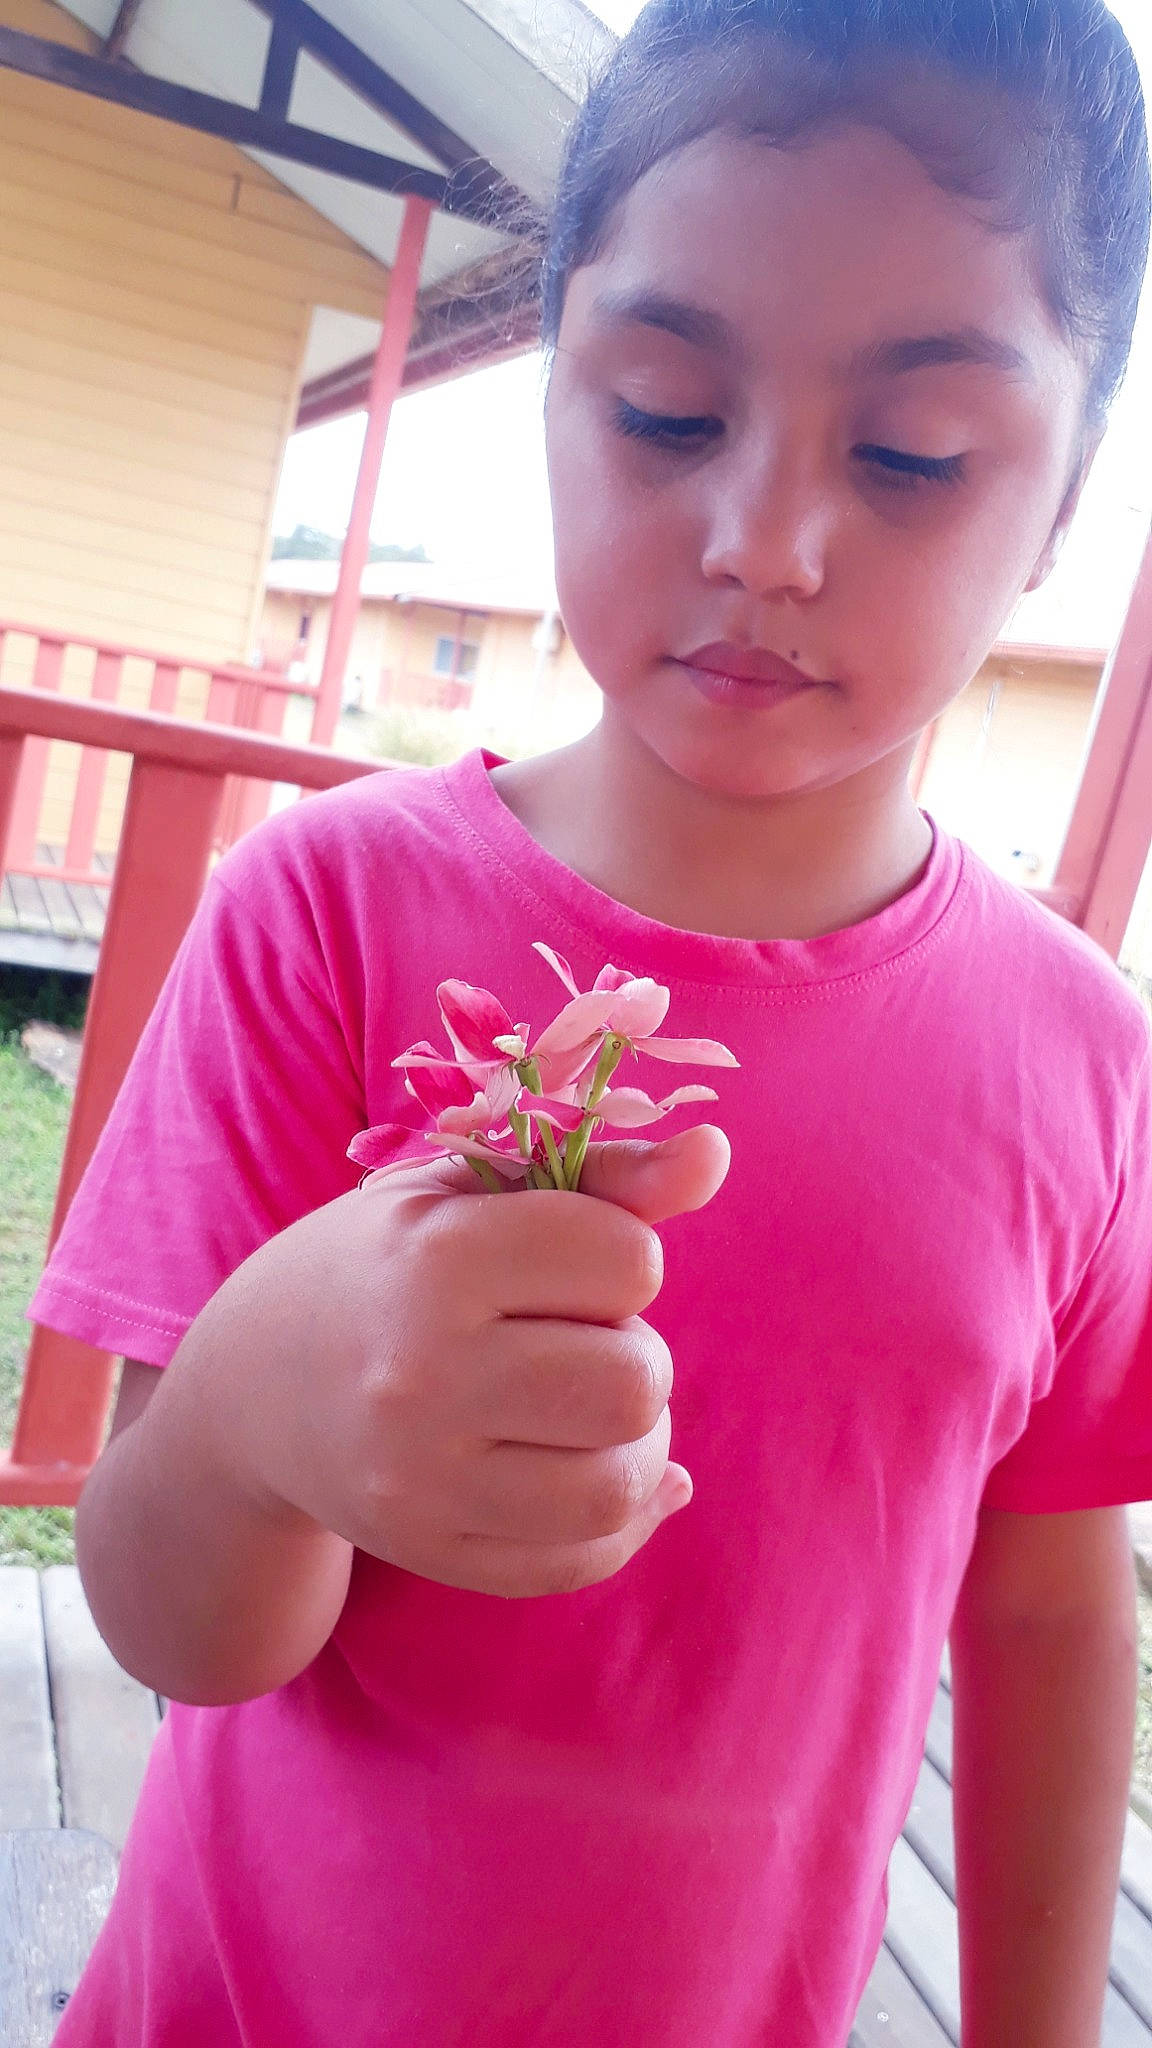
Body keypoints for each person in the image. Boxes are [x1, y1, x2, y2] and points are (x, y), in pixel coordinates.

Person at [30, 3, 1152, 2042]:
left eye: (909, 457)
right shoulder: (329, 914)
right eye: (657, 406)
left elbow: (1053, 1597)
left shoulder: (1081, 1057)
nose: (766, 543)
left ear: (1064, 499)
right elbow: (166, 1624)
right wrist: (276, 1412)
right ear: (553, 391)